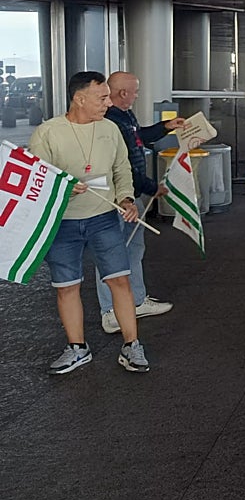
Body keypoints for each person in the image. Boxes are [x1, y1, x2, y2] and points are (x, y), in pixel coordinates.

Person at [30, 71, 148, 374]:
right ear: (80, 99)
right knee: (66, 287)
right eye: (102, 97)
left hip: (105, 218)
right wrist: (64, 189)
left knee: (119, 280)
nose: (108, 103)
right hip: (62, 223)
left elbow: (122, 169)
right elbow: (37, 180)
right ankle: (77, 348)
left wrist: (125, 199)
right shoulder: (48, 132)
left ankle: (131, 345)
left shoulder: (110, 129)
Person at [94, 71, 184, 334]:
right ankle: (110, 311)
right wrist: (152, 187)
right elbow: (119, 167)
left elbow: (138, 138)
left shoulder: (124, 117)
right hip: (117, 197)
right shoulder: (109, 120)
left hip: (131, 195)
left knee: (133, 248)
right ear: (123, 93)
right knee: (111, 253)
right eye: (135, 91)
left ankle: (135, 301)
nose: (137, 95)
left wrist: (166, 127)